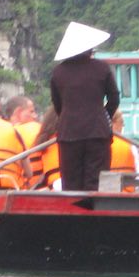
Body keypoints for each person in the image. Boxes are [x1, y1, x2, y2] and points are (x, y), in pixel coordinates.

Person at [49, 21, 119, 191]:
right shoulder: (101, 68)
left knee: (71, 183)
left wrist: (68, 117)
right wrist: (104, 115)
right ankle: (95, 215)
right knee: (96, 182)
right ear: (88, 49)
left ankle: (73, 216)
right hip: (97, 132)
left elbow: (58, 105)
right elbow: (114, 98)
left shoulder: (58, 72)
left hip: (68, 133)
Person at [29, 106, 61, 189]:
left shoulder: (39, 142)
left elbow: (33, 179)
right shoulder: (67, 140)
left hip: (50, 188)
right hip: (63, 186)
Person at [109, 110, 136, 183]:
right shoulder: (128, 145)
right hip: (127, 192)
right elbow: (138, 173)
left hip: (104, 191)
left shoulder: (100, 144)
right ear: (115, 123)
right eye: (122, 124)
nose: (122, 127)